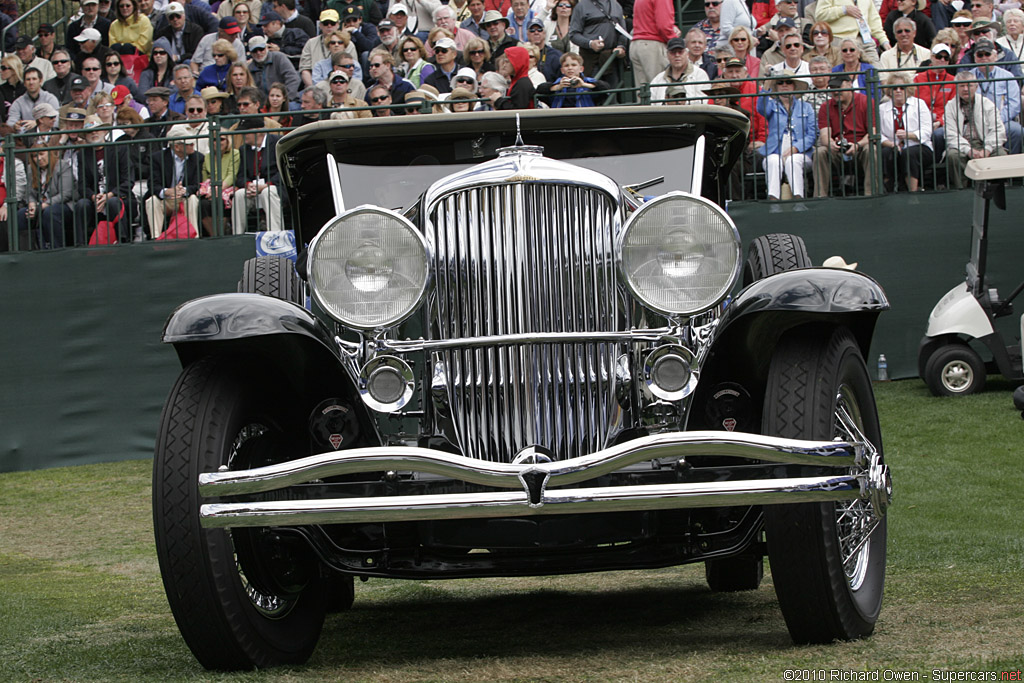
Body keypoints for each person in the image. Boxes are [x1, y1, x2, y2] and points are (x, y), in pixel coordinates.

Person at [813, 72, 876, 196]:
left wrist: (858, 145)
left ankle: (871, 193)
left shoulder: (867, 101)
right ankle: (820, 195)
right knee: (819, 152)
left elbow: (872, 133)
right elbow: (825, 135)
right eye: (832, 89)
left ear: (849, 85)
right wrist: (831, 144)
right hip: (837, 150)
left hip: (860, 147)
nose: (835, 92)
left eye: (838, 88)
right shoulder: (826, 106)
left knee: (871, 149)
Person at [757, 71, 817, 200]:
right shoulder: (771, 106)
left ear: (794, 86)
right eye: (780, 83)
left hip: (801, 154)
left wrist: (796, 148)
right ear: (776, 87)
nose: (784, 85)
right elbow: (761, 108)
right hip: (775, 151)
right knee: (772, 160)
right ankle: (773, 198)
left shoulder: (806, 107)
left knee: (793, 160)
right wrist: (765, 89)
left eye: (789, 82)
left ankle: (798, 196)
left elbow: (812, 134)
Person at [73, 117, 134, 244]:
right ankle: (81, 244)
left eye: (97, 130)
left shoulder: (119, 149)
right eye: (90, 132)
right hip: (95, 197)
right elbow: (82, 186)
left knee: (113, 202)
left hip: (117, 195)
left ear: (104, 131)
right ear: (85, 136)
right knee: (81, 205)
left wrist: (109, 195)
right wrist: (94, 197)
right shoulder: (82, 155)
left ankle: (123, 241)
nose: (94, 133)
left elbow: (128, 181)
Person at [945, 72, 1006, 188]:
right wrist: (968, 150)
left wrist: (987, 148)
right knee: (952, 156)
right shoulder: (950, 106)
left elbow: (998, 130)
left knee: (1001, 153)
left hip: (984, 142)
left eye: (969, 85)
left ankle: (996, 188)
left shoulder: (987, 104)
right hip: (963, 144)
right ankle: (961, 189)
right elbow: (950, 134)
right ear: (956, 87)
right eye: (961, 86)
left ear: (976, 87)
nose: (965, 89)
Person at [144, 124, 203, 238]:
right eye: (189, 144)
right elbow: (153, 184)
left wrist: (183, 190)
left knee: (193, 199)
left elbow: (197, 183)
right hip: (165, 199)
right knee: (152, 201)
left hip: (184, 197)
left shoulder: (198, 158)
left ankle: (194, 236)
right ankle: (155, 237)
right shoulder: (157, 158)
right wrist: (167, 191)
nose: (193, 146)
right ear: (176, 147)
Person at [878, 74, 934, 192]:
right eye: (895, 88)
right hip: (892, 145)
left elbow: (927, 130)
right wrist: (890, 144)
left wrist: (909, 135)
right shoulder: (882, 108)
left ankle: (912, 192)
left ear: (908, 90)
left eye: (902, 88)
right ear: (889, 91)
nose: (898, 91)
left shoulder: (919, 104)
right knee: (886, 153)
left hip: (919, 146)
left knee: (909, 154)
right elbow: (879, 132)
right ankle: (888, 189)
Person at [18, 142, 76, 249]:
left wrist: (45, 205)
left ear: (49, 153)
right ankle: (26, 250)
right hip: (40, 205)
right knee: (22, 214)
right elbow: (29, 193)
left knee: (50, 212)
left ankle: (57, 248)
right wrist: (32, 204)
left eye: (41, 154)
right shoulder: (31, 169)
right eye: (35, 156)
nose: (39, 158)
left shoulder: (62, 165)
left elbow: (66, 193)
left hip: (62, 205)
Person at [232, 116, 285, 233]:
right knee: (239, 194)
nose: (243, 135)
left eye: (246, 131)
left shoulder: (278, 143)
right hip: (254, 190)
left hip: (276, 188)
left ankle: (275, 234)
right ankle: (237, 235)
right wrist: (248, 184)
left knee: (268, 192)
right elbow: (240, 176)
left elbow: (283, 171)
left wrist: (267, 185)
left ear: (258, 131)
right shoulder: (244, 149)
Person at [969, 37, 1022, 153]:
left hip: (1002, 120)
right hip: (974, 122)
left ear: (995, 57)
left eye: (987, 54)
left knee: (1017, 131)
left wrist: (997, 120)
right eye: (980, 55)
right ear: (975, 59)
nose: (984, 58)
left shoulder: (1007, 76)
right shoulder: (968, 77)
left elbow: (1014, 104)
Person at [815, 0, 890, 66]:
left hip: (865, 39)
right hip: (839, 40)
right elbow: (820, 15)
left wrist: (884, 41)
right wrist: (843, 10)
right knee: (843, 75)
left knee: (876, 72)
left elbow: (874, 20)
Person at [914, 41, 957, 157]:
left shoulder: (953, 80)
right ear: (932, 57)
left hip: (942, 122)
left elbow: (953, 106)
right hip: (920, 120)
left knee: (938, 135)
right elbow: (914, 103)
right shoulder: (918, 78)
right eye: (939, 57)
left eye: (946, 58)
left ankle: (937, 168)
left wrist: (940, 122)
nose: (942, 60)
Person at [569, 0, 627, 84]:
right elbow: (573, 35)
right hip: (591, 60)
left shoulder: (616, 5)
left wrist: (621, 46)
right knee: (592, 92)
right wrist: (590, 43)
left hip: (611, 59)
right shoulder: (581, 6)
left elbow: (623, 32)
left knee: (612, 93)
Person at [198, 130, 240, 235]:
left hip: (228, 187)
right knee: (203, 204)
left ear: (227, 141)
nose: (217, 142)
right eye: (214, 139)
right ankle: (214, 235)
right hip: (211, 189)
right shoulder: (208, 157)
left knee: (220, 201)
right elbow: (205, 177)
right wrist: (208, 190)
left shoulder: (234, 153)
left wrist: (218, 189)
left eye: (221, 139)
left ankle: (221, 233)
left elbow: (232, 175)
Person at [649, 36, 710, 104]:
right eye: (673, 52)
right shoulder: (658, 79)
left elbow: (704, 102)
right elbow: (652, 104)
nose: (677, 55)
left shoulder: (700, 74)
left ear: (687, 54)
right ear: (667, 55)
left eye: (680, 52)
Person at [536, 51, 609, 105]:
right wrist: (558, 87)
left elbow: (606, 88)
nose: (570, 68)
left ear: (581, 69)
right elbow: (540, 90)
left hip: (584, 117)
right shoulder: (558, 82)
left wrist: (583, 84)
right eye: (566, 66)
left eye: (574, 65)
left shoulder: (588, 81)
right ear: (562, 70)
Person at [0, 57, 26, 125]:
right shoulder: (1, 89)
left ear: (14, 70)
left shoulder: (26, 88)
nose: (0, 71)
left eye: (3, 68)